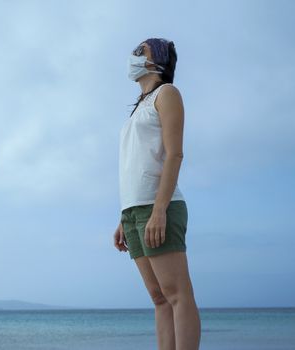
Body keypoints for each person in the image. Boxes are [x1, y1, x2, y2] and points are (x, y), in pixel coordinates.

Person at [113, 38, 201, 350]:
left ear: (157, 61)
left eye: (141, 51)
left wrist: (159, 210)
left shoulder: (168, 94)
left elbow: (174, 155)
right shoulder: (139, 106)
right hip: (134, 211)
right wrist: (124, 216)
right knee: (159, 298)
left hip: (160, 206)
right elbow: (136, 164)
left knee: (177, 294)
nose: (133, 55)